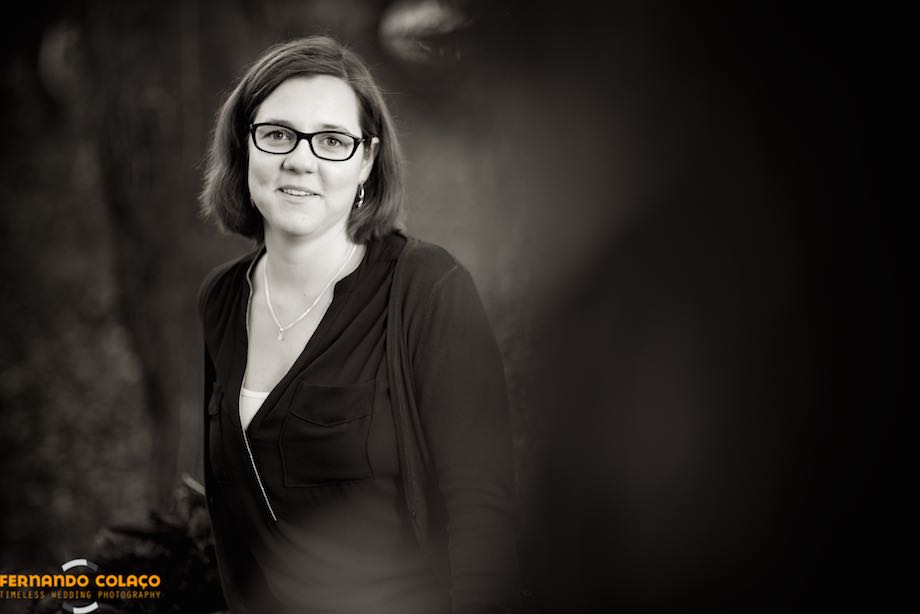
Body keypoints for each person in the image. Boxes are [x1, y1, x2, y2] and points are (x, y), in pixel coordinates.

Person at [196, 35, 520, 613]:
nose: (300, 158)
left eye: (332, 141)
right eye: (277, 134)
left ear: (367, 160)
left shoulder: (427, 289)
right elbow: (233, 519)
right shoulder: (221, 300)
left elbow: (482, 511)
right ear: (245, 147)